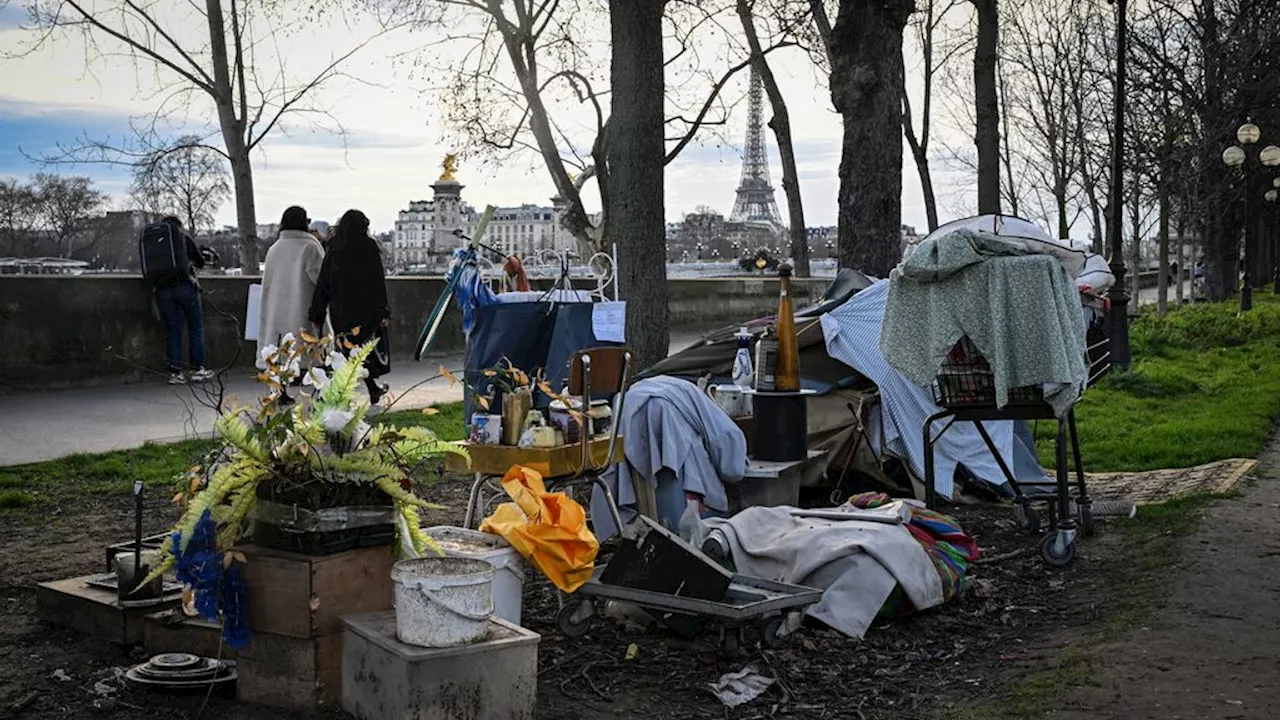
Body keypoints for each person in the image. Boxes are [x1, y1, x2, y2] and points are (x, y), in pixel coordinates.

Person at [309, 209, 392, 404]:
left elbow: (324, 284)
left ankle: (338, 393)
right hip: (366, 311)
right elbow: (378, 282)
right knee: (362, 353)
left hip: (341, 311)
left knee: (346, 353)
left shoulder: (334, 249)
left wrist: (317, 313)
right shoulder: (369, 248)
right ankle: (362, 390)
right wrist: (384, 311)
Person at [259, 206, 328, 404]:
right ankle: (322, 395)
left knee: (279, 352)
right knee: (312, 352)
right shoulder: (310, 246)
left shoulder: (274, 248)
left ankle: (278, 393)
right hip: (302, 306)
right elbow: (320, 279)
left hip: (276, 309)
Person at [144, 216, 213, 385]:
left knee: (173, 330)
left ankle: (175, 373)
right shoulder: (181, 238)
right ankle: (198, 370)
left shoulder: (154, 243)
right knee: (195, 327)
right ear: (178, 227)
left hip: (162, 291)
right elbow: (199, 261)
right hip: (185, 287)